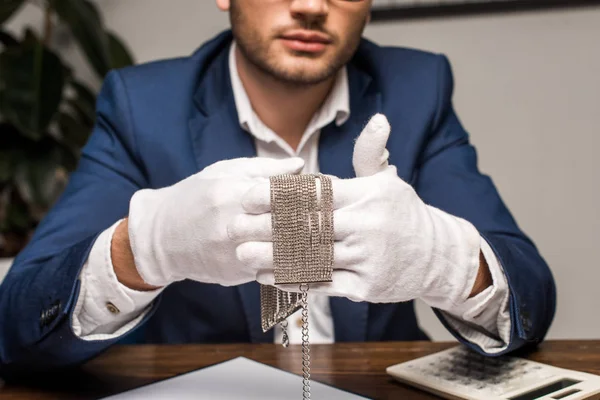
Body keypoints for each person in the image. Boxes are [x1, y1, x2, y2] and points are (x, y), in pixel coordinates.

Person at [0, 0, 555, 374]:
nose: (312, 5)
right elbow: (19, 323)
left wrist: (448, 261)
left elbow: (530, 294)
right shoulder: (143, 107)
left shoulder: (417, 89)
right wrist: (143, 247)